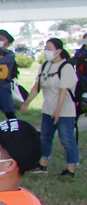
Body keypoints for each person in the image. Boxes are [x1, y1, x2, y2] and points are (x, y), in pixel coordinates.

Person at [28, 37, 78, 177]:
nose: (46, 51)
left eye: (49, 49)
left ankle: (71, 170)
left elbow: (63, 91)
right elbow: (37, 86)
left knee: (67, 139)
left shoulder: (66, 67)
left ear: (59, 51)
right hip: (48, 109)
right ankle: (43, 165)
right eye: (46, 48)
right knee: (46, 137)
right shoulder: (44, 66)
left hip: (65, 111)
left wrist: (58, 110)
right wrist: (27, 102)